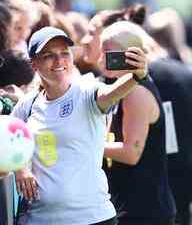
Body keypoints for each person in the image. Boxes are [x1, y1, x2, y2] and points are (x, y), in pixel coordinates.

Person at [12, 26, 148, 225]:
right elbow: (7, 138)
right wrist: (20, 169)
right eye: (49, 55)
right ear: (34, 64)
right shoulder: (28, 104)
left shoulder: (86, 91)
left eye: (64, 53)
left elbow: (110, 93)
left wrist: (137, 76)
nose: (59, 61)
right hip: (40, 219)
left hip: (93, 218)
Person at [100, 21, 176, 225]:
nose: (102, 59)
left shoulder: (136, 92)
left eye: (108, 53)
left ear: (130, 54)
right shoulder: (122, 88)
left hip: (145, 210)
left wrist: (89, 145)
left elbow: (131, 153)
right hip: (133, 206)